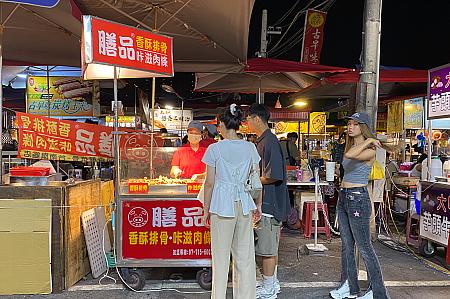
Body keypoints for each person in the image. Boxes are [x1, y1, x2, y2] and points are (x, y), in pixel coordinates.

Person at [202, 104, 262, 299]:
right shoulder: (250, 147)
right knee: (244, 257)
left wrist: (205, 210)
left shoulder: (214, 149)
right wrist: (258, 205)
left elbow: (209, 183)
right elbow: (256, 179)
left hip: (221, 205)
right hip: (244, 204)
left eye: (218, 124)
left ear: (221, 124)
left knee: (220, 258)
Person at [330, 112, 390, 299]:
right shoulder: (354, 145)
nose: (350, 127)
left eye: (355, 124)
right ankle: (350, 287)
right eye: (349, 123)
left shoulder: (370, 150)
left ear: (363, 127)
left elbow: (350, 155)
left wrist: (368, 141)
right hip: (344, 197)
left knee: (364, 248)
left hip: (358, 198)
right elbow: (348, 157)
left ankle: (378, 292)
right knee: (347, 246)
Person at [246, 103, 290, 299]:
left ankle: (269, 287)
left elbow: (274, 175)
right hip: (266, 201)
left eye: (247, 119)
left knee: (267, 248)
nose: (246, 123)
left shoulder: (269, 141)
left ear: (256, 118)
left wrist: (250, 181)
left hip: (270, 202)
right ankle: (271, 282)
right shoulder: (262, 140)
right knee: (268, 246)